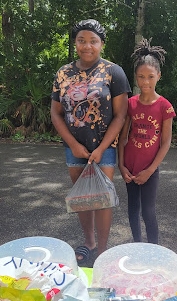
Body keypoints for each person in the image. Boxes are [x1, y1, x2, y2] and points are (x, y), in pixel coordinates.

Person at [51, 19, 131, 265]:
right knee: (83, 198)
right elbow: (55, 113)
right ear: (75, 43)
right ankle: (89, 242)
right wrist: (74, 145)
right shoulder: (63, 73)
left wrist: (102, 148)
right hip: (74, 149)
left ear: (101, 44)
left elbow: (121, 115)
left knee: (102, 200)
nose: (87, 46)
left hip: (104, 147)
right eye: (81, 40)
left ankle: (103, 250)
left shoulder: (113, 71)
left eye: (93, 41)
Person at [118, 37, 176, 244]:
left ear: (158, 76)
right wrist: (121, 166)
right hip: (130, 169)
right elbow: (123, 137)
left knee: (148, 212)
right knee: (132, 210)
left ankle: (154, 249)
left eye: (150, 77)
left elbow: (166, 142)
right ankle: (137, 245)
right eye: (141, 77)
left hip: (150, 170)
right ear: (135, 77)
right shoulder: (130, 104)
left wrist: (150, 171)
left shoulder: (164, 107)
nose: (145, 82)